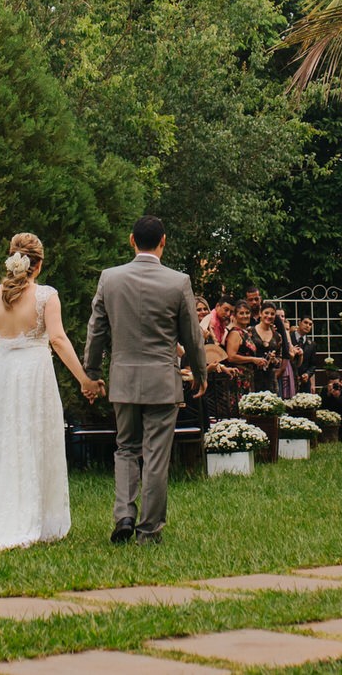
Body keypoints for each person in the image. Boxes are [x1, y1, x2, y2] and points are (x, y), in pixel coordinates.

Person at [0, 233, 101, 552]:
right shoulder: (46, 296)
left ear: (12, 260)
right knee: (33, 440)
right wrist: (84, 379)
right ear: (37, 265)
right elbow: (59, 339)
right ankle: (35, 516)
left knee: (0, 441)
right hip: (34, 376)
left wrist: (1, 357)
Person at [80, 215, 207, 545]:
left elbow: (96, 331)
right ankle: (148, 531)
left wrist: (91, 373)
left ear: (131, 240)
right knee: (155, 456)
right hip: (163, 383)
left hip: (123, 380)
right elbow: (192, 336)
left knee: (125, 449)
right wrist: (200, 371)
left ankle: (124, 513)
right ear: (163, 241)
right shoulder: (178, 282)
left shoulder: (109, 279)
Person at [293, 316, 320, 393]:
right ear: (299, 322)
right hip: (290, 379)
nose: (307, 325)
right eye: (305, 322)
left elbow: (313, 365)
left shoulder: (312, 344)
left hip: (304, 383)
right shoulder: (289, 339)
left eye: (310, 324)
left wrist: (308, 374)